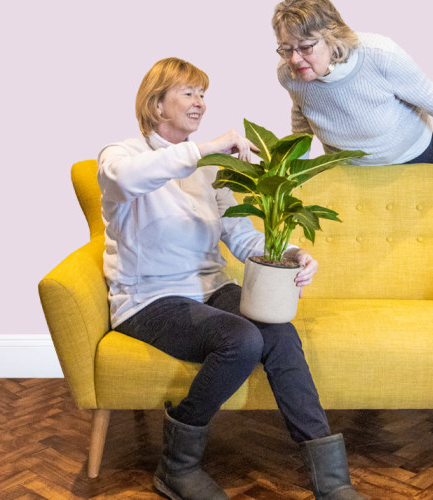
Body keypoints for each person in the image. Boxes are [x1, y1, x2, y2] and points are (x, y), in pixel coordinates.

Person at [97, 57, 366, 500]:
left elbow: (237, 232)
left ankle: (333, 481)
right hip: (148, 299)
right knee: (240, 338)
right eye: (188, 92)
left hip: (210, 288)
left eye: (203, 94)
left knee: (277, 332)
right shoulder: (122, 156)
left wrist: (290, 253)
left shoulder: (208, 170)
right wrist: (204, 148)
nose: (200, 102)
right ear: (156, 104)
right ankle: (176, 467)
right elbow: (131, 179)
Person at [272, 0, 433, 176]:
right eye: (286, 48)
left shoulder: (380, 56)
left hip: (411, 159)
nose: (294, 59)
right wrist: (295, 169)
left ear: (332, 37)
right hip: (349, 170)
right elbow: (303, 114)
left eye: (305, 47)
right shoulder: (289, 74)